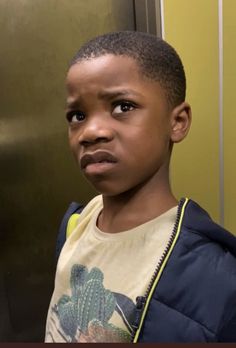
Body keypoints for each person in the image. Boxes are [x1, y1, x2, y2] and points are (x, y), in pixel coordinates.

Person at [45, 31, 236, 343]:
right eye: (77, 116)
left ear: (177, 122)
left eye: (123, 106)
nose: (90, 132)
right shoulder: (77, 224)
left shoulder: (213, 278)